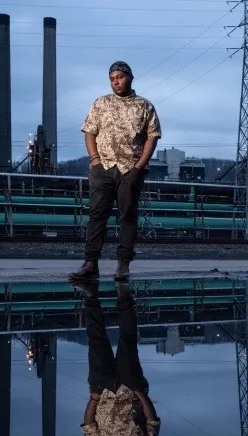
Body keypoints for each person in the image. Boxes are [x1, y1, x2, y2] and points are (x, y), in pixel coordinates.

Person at [70, 61, 162, 282]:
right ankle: (91, 264)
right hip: (103, 168)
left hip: (130, 169)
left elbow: (153, 136)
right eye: (112, 78)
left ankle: (123, 265)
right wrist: (95, 160)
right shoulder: (101, 103)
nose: (116, 82)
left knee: (127, 216)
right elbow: (90, 131)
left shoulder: (144, 106)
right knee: (96, 215)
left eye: (120, 77)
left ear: (130, 77)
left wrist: (139, 166)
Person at [79, 280, 160, 436]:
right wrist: (139, 392)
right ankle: (123, 295)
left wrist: (94, 398)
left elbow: (88, 425)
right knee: (127, 341)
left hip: (102, 390)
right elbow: (152, 420)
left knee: (97, 341)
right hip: (129, 389)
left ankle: (90, 296)